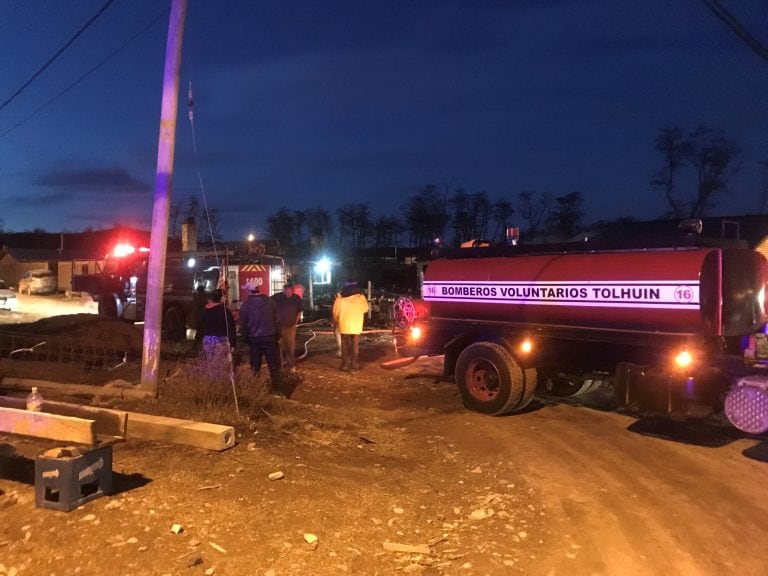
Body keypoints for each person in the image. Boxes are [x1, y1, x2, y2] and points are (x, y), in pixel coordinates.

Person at [239, 286, 282, 393]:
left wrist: (244, 338)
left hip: (254, 340)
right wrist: (278, 336)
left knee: (255, 366)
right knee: (274, 365)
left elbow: (242, 324)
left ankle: (256, 390)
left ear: (249, 291)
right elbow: (277, 320)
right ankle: (277, 390)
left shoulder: (246, 305)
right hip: (270, 338)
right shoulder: (270, 302)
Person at [332, 280, 369, 372]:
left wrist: (337, 320)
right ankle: (354, 367)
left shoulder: (340, 297)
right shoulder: (361, 297)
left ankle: (344, 365)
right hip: (356, 324)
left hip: (344, 324)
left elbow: (335, 312)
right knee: (355, 345)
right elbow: (365, 309)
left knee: (344, 345)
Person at [200, 289, 236, 365]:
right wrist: (232, 343)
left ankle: (211, 376)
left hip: (207, 340)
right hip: (220, 341)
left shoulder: (206, 310)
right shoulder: (224, 311)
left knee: (211, 364)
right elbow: (230, 327)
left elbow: (201, 325)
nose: (225, 298)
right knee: (221, 365)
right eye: (224, 296)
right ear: (221, 298)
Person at [272, 283, 303, 370]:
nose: (287, 294)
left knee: (290, 346)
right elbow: (269, 303)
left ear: (292, 291)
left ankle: (291, 364)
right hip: (279, 326)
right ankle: (280, 364)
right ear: (283, 290)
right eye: (285, 292)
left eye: (289, 292)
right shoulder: (277, 297)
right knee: (279, 346)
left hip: (291, 326)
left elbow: (299, 311)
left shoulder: (296, 298)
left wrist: (295, 323)